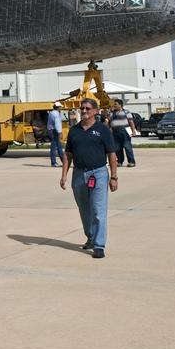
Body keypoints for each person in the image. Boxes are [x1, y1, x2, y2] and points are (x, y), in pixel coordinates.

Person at [60, 98, 117, 258]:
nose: (84, 111)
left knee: (98, 210)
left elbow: (112, 154)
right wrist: (64, 175)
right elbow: (68, 154)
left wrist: (114, 177)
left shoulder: (103, 130)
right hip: (78, 174)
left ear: (96, 111)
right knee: (84, 209)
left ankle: (99, 245)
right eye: (82, 108)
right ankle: (91, 237)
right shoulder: (74, 130)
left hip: (98, 173)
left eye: (87, 109)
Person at [108, 99, 138, 167]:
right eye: (114, 104)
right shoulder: (112, 113)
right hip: (115, 132)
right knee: (117, 148)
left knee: (127, 147)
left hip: (125, 131)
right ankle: (120, 162)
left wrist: (133, 131)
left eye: (116, 104)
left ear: (120, 105)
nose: (114, 105)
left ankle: (131, 162)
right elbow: (109, 122)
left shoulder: (126, 112)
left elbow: (131, 122)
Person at [47, 103, 64, 167]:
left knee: (59, 146)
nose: (61, 108)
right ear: (58, 107)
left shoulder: (51, 113)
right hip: (54, 131)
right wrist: (60, 132)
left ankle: (63, 161)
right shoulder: (56, 114)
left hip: (51, 130)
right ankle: (53, 163)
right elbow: (57, 124)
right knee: (54, 147)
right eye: (60, 107)